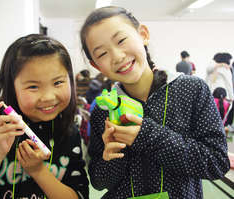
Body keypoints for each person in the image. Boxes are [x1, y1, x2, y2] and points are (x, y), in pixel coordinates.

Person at [80, 6, 230, 199]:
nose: (117, 56)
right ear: (95, 65)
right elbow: (99, 182)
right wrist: (111, 159)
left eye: (121, 40)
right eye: (102, 54)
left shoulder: (192, 90)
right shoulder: (104, 109)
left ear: (143, 34)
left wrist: (146, 136)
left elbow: (217, 163)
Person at [0, 34, 89, 199]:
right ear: (12, 86)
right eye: (33, 86)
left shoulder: (68, 130)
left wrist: (38, 171)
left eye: (58, 82)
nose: (48, 97)